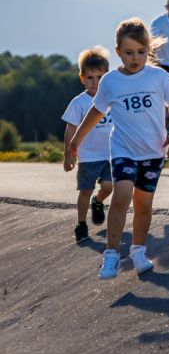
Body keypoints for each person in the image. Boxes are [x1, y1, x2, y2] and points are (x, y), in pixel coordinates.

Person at [64, 20, 169, 279]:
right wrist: (77, 139)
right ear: (118, 51)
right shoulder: (111, 81)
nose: (135, 58)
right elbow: (97, 111)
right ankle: (111, 256)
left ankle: (138, 251)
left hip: (153, 154)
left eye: (141, 52)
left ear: (148, 50)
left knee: (143, 205)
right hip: (123, 151)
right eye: (129, 53)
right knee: (122, 196)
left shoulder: (158, 76)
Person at [60, 46, 115, 244]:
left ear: (107, 77)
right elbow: (70, 129)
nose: (95, 82)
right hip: (88, 156)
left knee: (109, 186)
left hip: (111, 154)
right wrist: (68, 154)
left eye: (100, 77)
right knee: (85, 191)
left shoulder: (111, 99)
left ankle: (98, 201)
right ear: (82, 78)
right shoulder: (79, 103)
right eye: (90, 77)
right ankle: (81, 224)